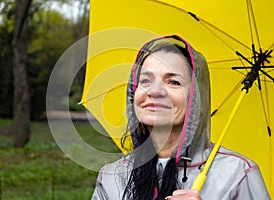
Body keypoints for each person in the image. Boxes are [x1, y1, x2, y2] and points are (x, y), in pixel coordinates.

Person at [91, 35, 270, 200]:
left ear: (196, 97)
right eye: (145, 81)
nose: (155, 91)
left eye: (173, 82)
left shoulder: (238, 174)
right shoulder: (111, 177)